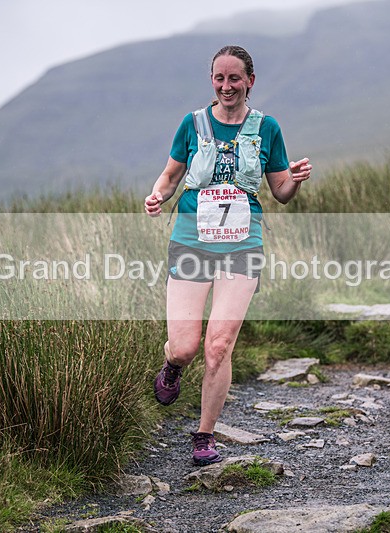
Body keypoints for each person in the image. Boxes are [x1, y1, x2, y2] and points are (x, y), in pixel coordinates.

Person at [144, 45, 312, 466]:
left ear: (250, 81)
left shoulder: (267, 128)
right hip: (191, 239)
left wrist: (295, 179)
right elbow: (170, 175)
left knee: (219, 345)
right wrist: (158, 195)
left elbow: (281, 193)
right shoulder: (193, 123)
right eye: (219, 78)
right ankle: (172, 366)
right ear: (212, 81)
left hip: (242, 243)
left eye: (234, 78)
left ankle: (204, 434)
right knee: (185, 347)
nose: (226, 86)